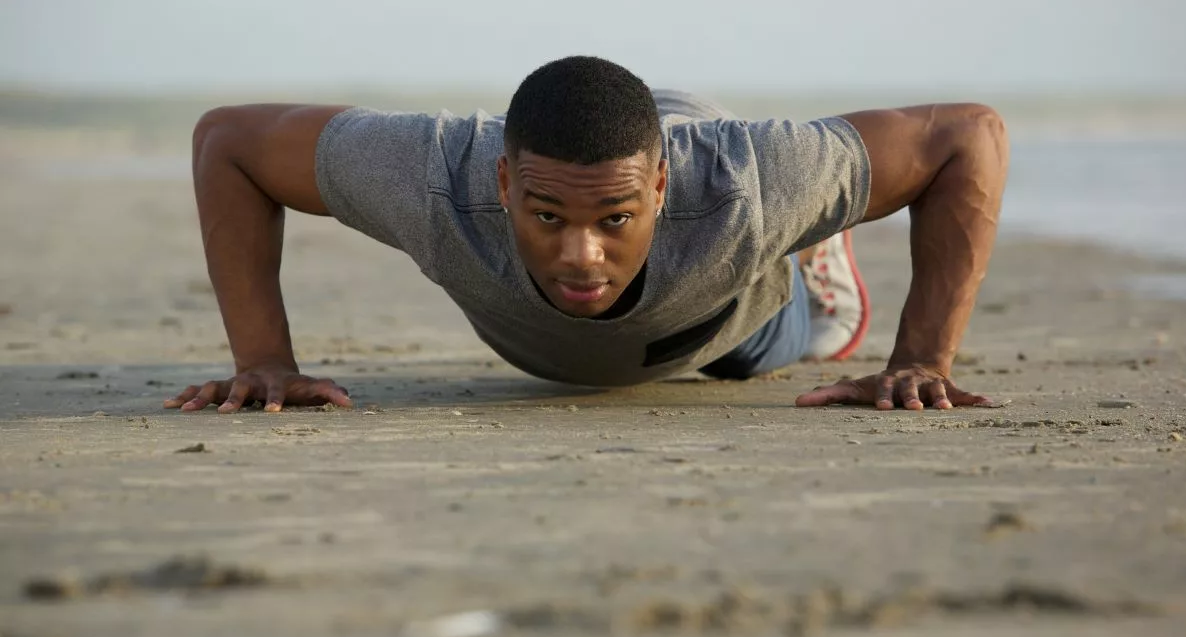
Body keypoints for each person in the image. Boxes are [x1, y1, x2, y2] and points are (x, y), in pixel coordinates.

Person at [166, 55, 1007, 414]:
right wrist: (263, 361)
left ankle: (818, 251)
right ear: (502, 181)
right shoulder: (434, 175)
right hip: (600, 246)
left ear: (659, 189)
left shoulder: (746, 186)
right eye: (545, 217)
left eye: (613, 221)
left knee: (758, 344)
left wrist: (924, 358)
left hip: (725, 318)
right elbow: (228, 141)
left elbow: (968, 135)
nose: (580, 257)